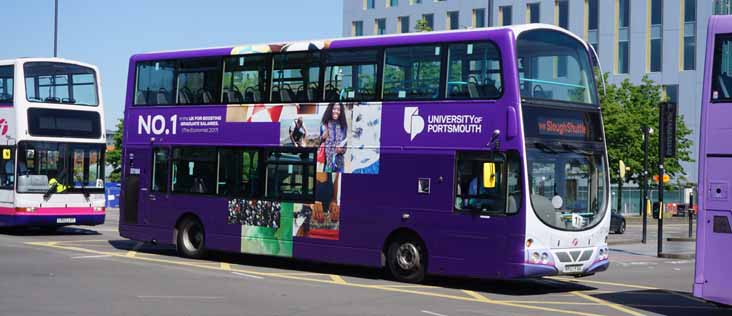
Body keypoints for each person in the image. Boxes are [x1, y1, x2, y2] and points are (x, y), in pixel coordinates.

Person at [320, 103, 348, 173]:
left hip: (339, 162)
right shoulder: (324, 124)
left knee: (339, 182)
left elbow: (345, 147)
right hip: (328, 162)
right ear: (330, 110)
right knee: (326, 182)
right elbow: (318, 143)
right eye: (334, 109)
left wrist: (341, 150)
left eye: (338, 109)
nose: (336, 111)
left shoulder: (343, 126)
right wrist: (323, 137)